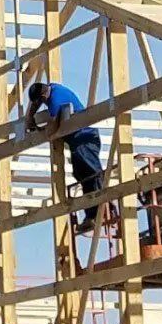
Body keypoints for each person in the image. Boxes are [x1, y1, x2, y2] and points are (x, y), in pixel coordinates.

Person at [27, 81, 104, 232]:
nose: (40, 104)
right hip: (78, 141)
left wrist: (45, 133)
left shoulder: (56, 101)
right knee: (81, 174)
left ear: (43, 96)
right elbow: (36, 103)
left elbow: (56, 128)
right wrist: (30, 116)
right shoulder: (52, 87)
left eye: (40, 101)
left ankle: (103, 206)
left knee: (92, 172)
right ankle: (91, 215)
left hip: (84, 138)